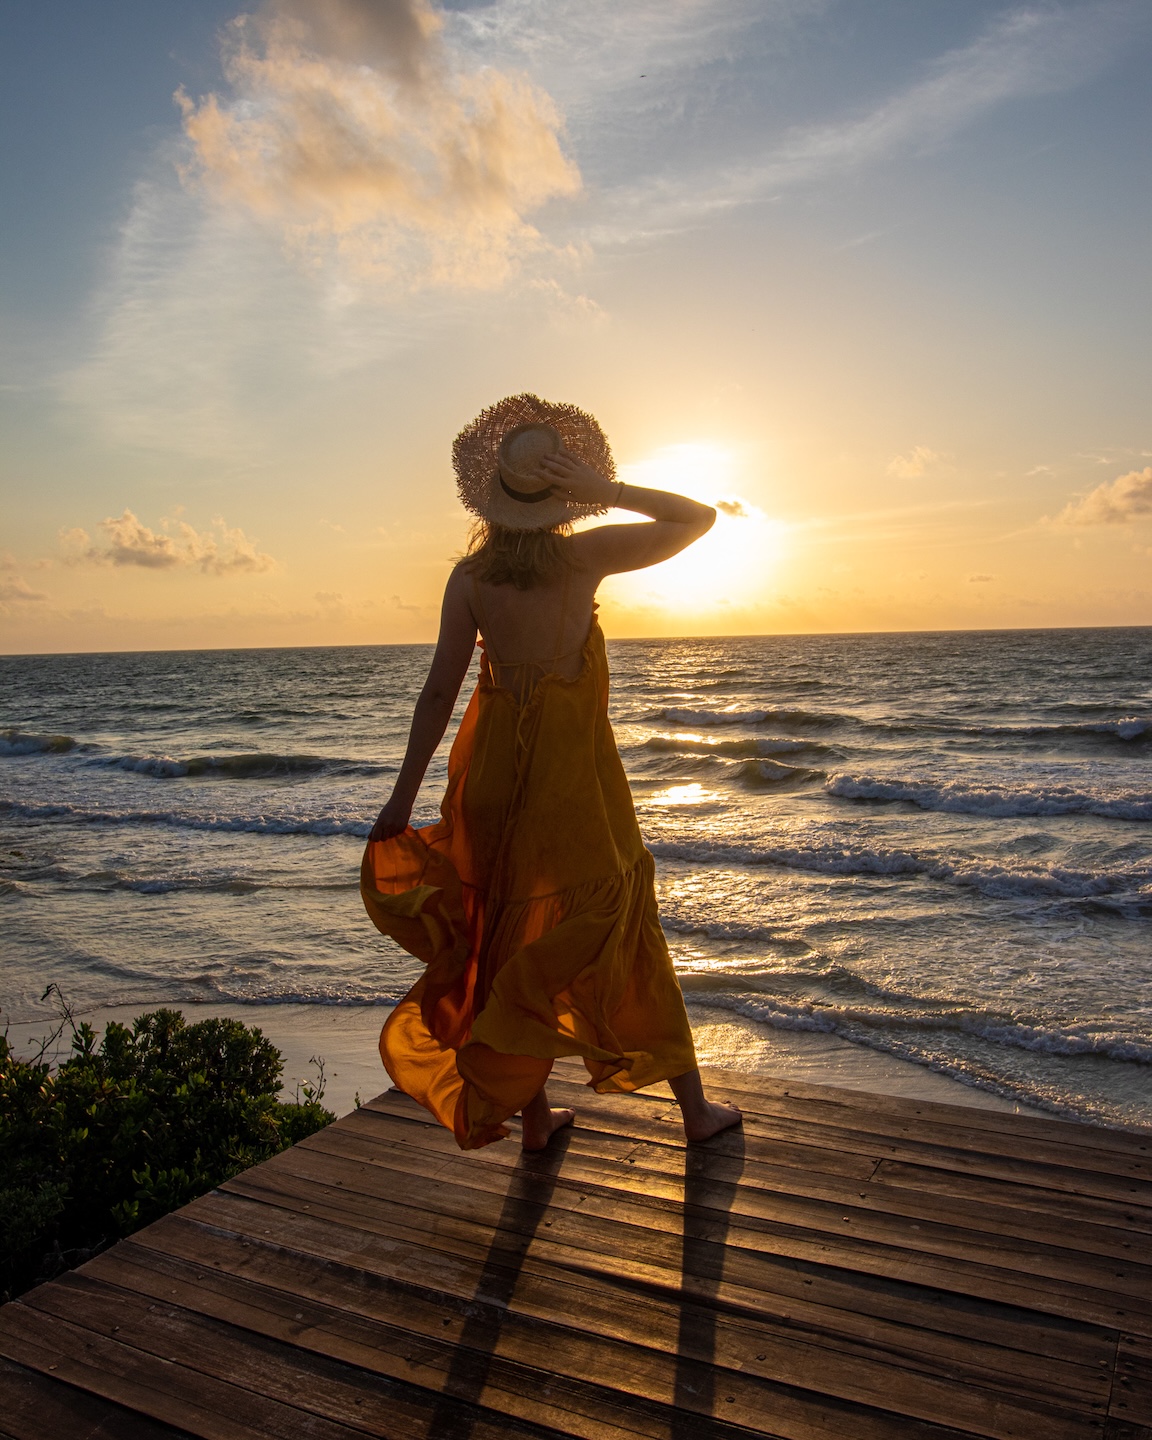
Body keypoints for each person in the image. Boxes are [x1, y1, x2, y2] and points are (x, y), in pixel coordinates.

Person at [362, 393, 741, 1151]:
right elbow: (697, 519)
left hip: (495, 775)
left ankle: (534, 1122)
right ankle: (693, 1112)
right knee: (622, 918)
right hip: (573, 782)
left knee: (503, 924)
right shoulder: (583, 557)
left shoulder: (469, 579)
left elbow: (439, 691)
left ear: (492, 497)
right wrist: (610, 494)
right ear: (560, 498)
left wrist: (399, 802)